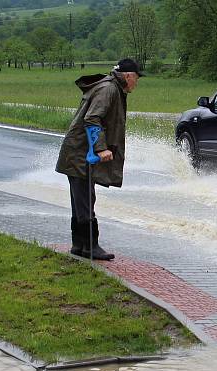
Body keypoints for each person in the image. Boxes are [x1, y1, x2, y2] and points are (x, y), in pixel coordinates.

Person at [55, 58, 144, 261]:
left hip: (77, 153)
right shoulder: (109, 89)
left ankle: (79, 245)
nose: (136, 84)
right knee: (85, 198)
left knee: (81, 198)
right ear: (128, 76)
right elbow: (92, 118)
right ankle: (90, 246)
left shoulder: (111, 88)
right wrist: (101, 148)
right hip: (80, 154)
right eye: (137, 79)